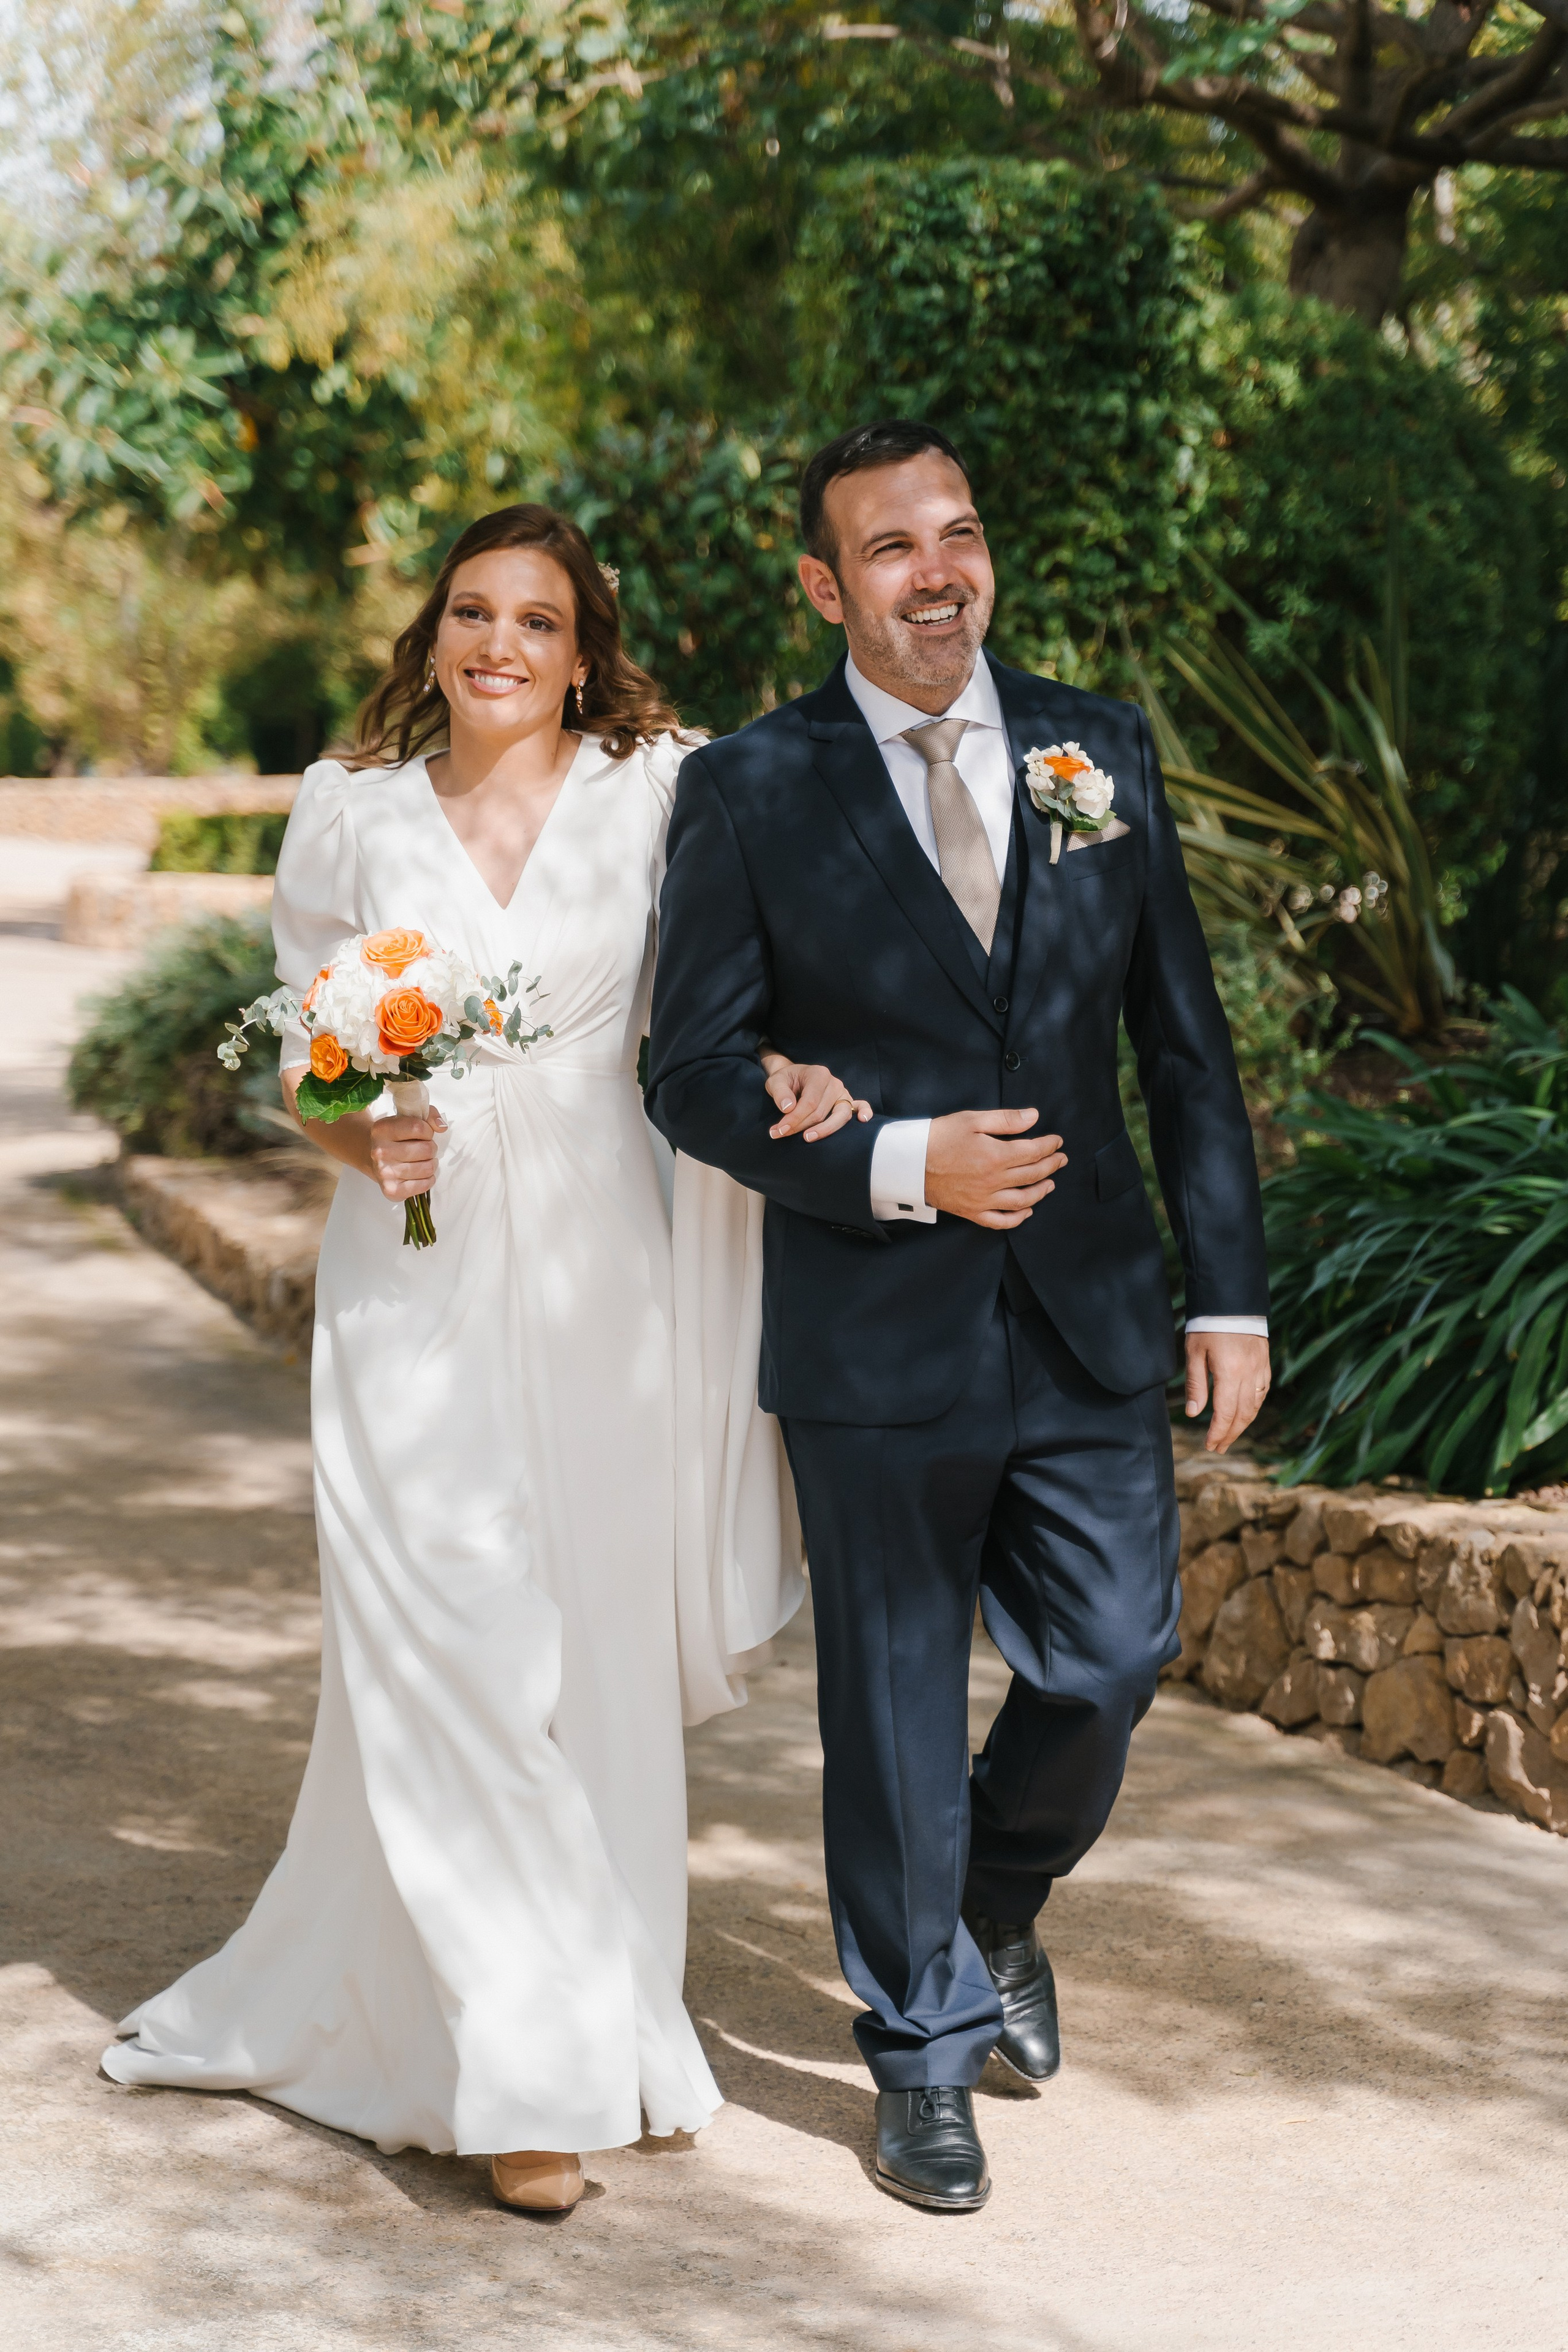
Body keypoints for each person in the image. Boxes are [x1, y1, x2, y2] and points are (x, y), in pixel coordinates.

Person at [101, 505, 865, 2214]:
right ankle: (529, 2078)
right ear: (431, 637)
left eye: (536, 619)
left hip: (606, 1267)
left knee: (584, 1651)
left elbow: (739, 988)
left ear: (583, 653)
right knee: (446, 1633)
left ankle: (582, 2018)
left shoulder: (660, 789)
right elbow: (309, 1057)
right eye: (470, 612)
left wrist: (792, 1068)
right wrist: (355, 1136)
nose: (499, 643)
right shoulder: (350, 809)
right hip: (412, 1268)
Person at [646, 420, 1272, 2214]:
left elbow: (1183, 1047)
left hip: (1092, 1313)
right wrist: (900, 1161)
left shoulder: (1097, 748)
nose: (939, 574)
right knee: (895, 1705)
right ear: (823, 585)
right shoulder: (753, 787)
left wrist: (1230, 1292)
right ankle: (921, 2050)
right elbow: (690, 1073)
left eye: (960, 535)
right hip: (873, 1325)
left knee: (1111, 1658)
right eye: (892, 547)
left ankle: (996, 1899)